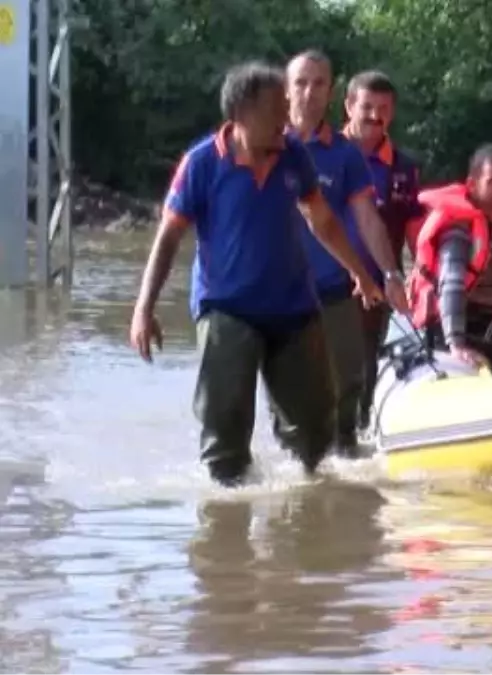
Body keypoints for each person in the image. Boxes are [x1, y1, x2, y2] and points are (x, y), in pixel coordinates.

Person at [128, 61, 383, 486]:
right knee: (224, 425)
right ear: (242, 113)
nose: (286, 117)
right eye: (276, 109)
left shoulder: (293, 156)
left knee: (316, 435)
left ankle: (306, 519)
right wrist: (143, 307)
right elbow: (169, 237)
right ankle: (229, 519)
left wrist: (360, 273)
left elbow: (321, 220)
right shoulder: (202, 163)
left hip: (294, 308)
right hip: (227, 307)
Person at [284, 50, 409, 456]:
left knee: (350, 382)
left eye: (319, 83)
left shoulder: (344, 155)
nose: (309, 92)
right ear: (286, 90)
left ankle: (344, 472)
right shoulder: (262, 144)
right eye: (301, 83)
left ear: (330, 92)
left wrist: (391, 275)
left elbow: (369, 219)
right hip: (277, 290)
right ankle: (300, 463)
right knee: (292, 395)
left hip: (338, 284)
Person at [342, 69, 425, 431]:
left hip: (376, 287)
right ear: (348, 106)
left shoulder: (404, 168)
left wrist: (425, 280)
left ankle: (355, 443)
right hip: (318, 283)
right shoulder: (322, 154)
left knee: (364, 370)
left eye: (384, 108)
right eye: (367, 106)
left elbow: (416, 232)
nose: (375, 116)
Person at [406, 143, 492, 373]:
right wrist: (456, 343)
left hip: (490, 323)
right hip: (449, 327)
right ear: (472, 185)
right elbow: (451, 283)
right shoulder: (458, 228)